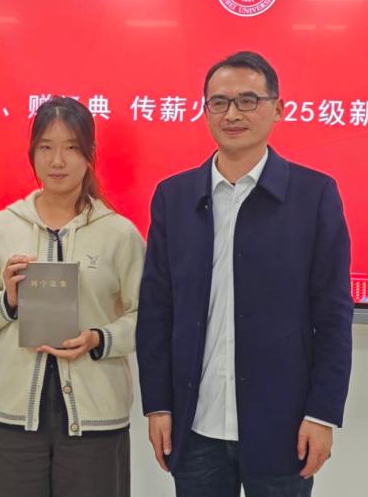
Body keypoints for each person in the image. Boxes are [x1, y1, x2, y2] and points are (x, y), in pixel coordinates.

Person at [137, 51, 354, 496]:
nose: (232, 114)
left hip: (284, 426)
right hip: (195, 426)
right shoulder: (174, 197)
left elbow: (333, 315)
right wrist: (157, 404)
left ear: (278, 108)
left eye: (248, 101)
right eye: (219, 102)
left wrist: (322, 413)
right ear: (205, 110)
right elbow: (157, 310)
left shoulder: (313, 196)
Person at [0, 97, 145, 497]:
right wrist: (8, 302)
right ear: (32, 153)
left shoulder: (119, 233)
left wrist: (99, 339)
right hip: (15, 419)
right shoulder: (2, 226)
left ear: (89, 155)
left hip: (95, 417)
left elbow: (147, 319)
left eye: (71, 147)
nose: (57, 160)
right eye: (46, 146)